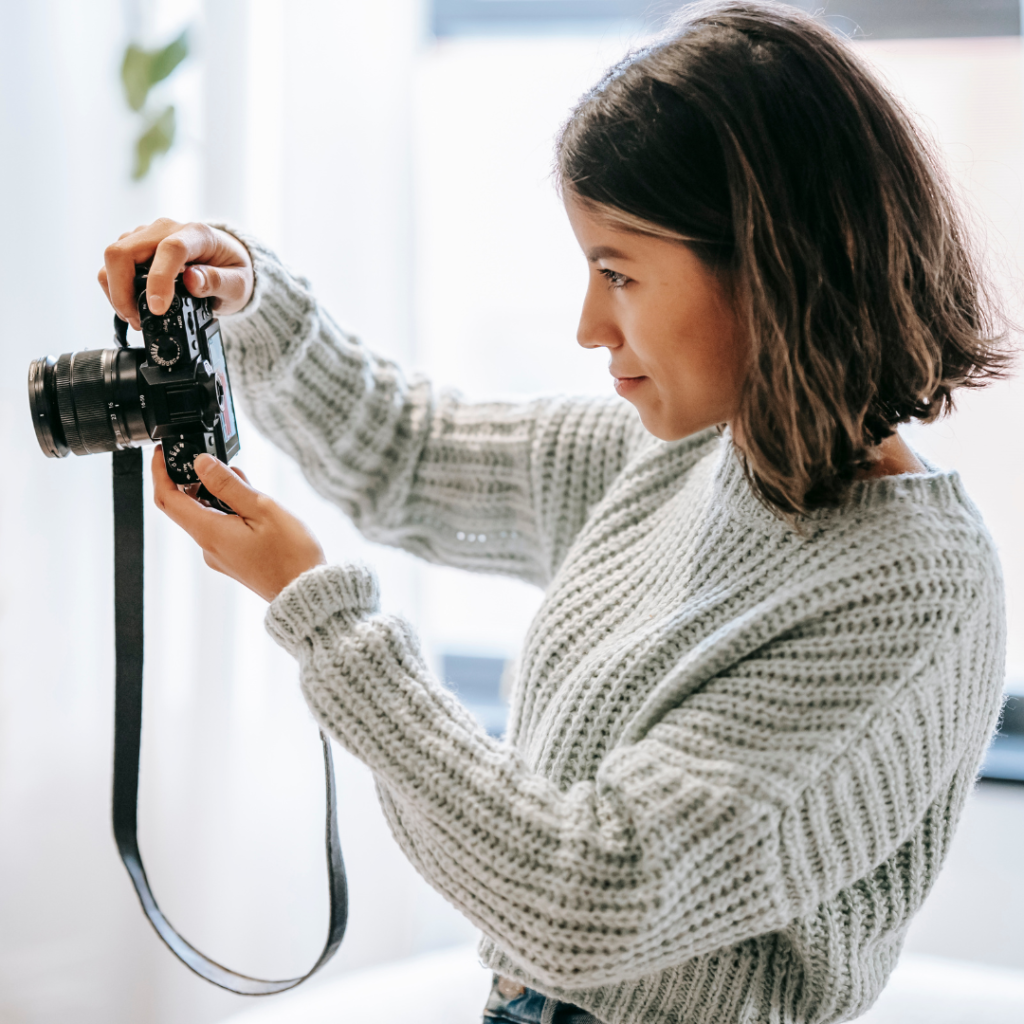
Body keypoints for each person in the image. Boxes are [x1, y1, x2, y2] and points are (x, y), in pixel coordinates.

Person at [98, 3, 1010, 1022]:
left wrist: (319, 614)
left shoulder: (904, 591)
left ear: (773, 263)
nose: (588, 325)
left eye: (618, 272)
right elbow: (407, 454)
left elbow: (591, 897)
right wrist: (249, 296)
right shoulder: (691, 456)